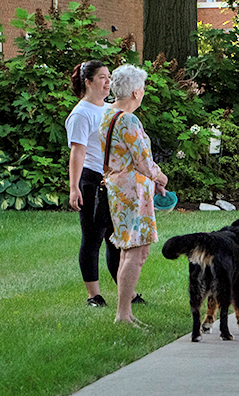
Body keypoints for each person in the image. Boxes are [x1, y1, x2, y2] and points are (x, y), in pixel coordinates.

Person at [100, 64, 170, 327]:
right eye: (141, 87)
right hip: (131, 190)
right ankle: (123, 313)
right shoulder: (128, 119)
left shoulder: (108, 114)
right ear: (134, 92)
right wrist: (160, 177)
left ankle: (125, 312)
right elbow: (142, 161)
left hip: (120, 187)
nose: (143, 92)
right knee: (136, 251)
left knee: (129, 249)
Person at [67, 60, 137, 308]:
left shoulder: (110, 109)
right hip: (91, 181)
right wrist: (74, 187)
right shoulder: (81, 113)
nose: (108, 82)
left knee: (115, 238)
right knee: (92, 238)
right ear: (88, 82)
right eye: (102, 77)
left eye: (109, 77)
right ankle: (93, 295)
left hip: (113, 181)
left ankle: (125, 291)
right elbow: (78, 152)